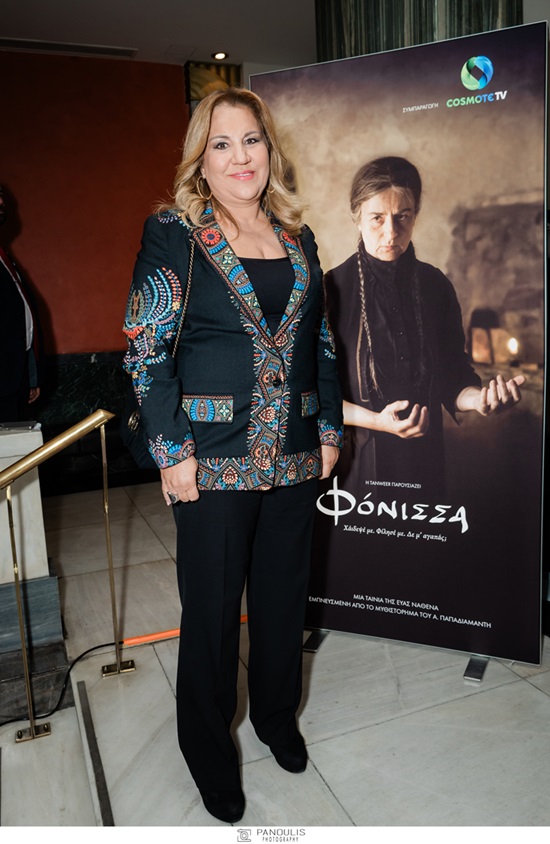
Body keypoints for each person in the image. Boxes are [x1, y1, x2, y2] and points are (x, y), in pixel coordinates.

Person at [123, 87, 343, 823]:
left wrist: (330, 429)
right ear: (201, 159)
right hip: (209, 458)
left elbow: (320, 344)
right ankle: (209, 754)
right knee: (213, 618)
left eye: (251, 140)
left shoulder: (299, 237)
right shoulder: (174, 234)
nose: (239, 156)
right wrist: (170, 449)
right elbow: (146, 349)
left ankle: (277, 720)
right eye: (222, 143)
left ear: (269, 152)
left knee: (283, 605)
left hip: (294, 455)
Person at [324, 156, 524, 498]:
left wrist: (480, 400)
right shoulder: (331, 290)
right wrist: (377, 421)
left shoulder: (436, 286)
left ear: (415, 215)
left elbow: (453, 378)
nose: (391, 232)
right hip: (355, 470)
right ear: (357, 217)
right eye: (377, 218)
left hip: (424, 466)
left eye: (403, 216)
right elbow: (315, 396)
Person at [0, 184, 41, 423]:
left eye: (1, 198)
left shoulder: (4, 257)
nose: (1, 204)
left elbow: (21, 320)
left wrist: (31, 376)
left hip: (16, 377)